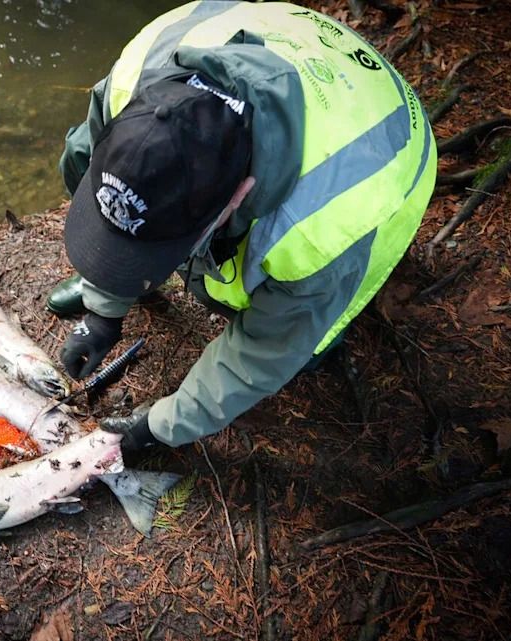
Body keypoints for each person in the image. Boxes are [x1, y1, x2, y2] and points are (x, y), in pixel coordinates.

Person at [51, 1, 436, 452]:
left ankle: (321, 336)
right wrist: (104, 307)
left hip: (381, 134)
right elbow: (112, 181)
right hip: (289, 37)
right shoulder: (135, 77)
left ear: (238, 198)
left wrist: (158, 428)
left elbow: (261, 352)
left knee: (299, 339)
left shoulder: (325, 225)